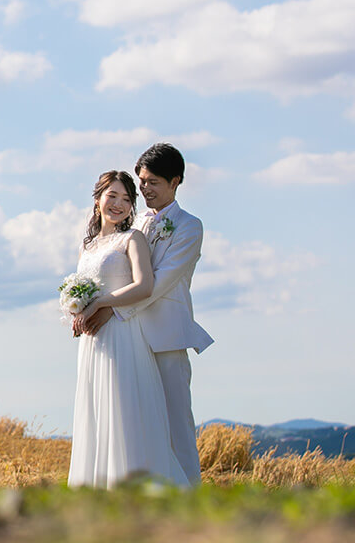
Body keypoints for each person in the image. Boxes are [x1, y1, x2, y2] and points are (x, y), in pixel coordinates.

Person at [81, 143, 213, 485]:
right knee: (135, 424)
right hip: (129, 340)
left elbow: (160, 283)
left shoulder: (189, 227)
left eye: (153, 182)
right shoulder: (133, 222)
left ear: (175, 181)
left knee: (174, 423)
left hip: (165, 337)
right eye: (141, 181)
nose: (144, 189)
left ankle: (189, 498)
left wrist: (109, 308)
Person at [66, 169, 188, 488]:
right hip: (93, 341)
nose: (118, 204)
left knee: (123, 414)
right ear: (97, 201)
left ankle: (134, 488)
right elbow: (83, 288)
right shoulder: (88, 246)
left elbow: (144, 286)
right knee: (95, 412)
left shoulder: (132, 239)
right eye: (112, 196)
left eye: (125, 198)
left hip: (123, 334)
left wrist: (102, 303)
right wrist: (76, 309)